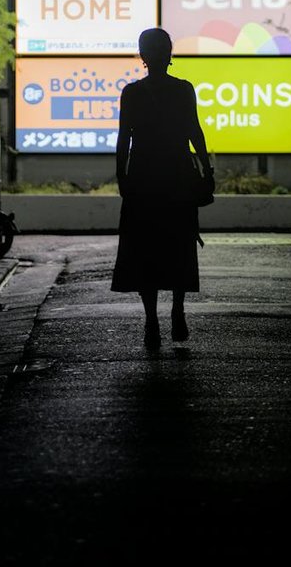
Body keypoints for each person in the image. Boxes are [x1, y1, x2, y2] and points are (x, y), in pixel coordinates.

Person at [111, 27, 212, 350]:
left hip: (142, 176)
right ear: (170, 54)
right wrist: (206, 170)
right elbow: (195, 132)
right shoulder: (184, 90)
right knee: (179, 244)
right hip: (177, 175)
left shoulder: (132, 92)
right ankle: (178, 310)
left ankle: (151, 320)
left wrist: (122, 176)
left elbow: (123, 138)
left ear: (142, 56)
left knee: (144, 249)